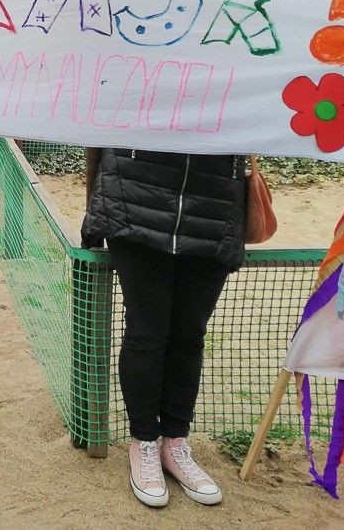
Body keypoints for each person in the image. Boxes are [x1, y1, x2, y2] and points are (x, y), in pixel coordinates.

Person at [83, 147, 245, 509]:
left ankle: (175, 444)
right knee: (146, 332)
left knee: (190, 335)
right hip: (135, 198)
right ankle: (143, 442)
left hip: (212, 201)